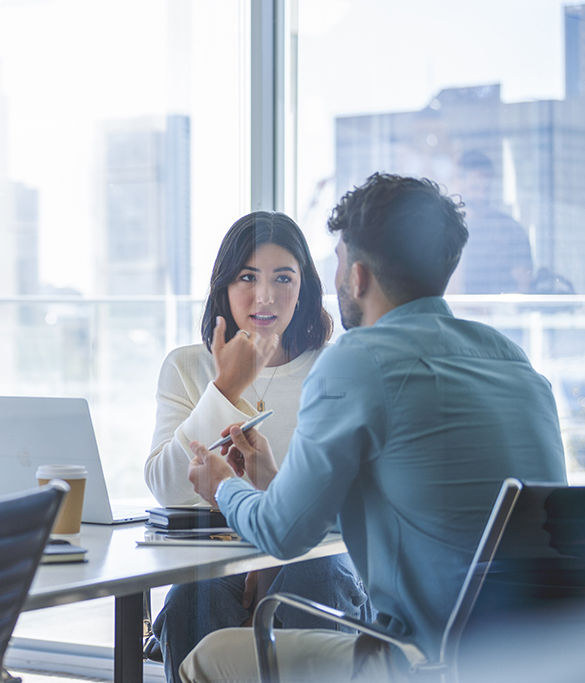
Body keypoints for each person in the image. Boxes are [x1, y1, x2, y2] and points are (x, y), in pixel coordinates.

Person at [181, 174, 567, 683]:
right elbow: (435, 517)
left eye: (338, 259)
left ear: (358, 276)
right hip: (545, 656)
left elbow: (282, 535)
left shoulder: (358, 361)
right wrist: (275, 485)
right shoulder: (513, 361)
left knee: (207, 656)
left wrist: (223, 486)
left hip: (424, 662)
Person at [144, 211, 372, 683]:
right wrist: (225, 389)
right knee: (194, 595)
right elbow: (170, 489)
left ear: (304, 288)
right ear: (224, 287)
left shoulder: (334, 368)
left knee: (316, 577)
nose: (265, 296)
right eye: (247, 277)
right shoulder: (187, 366)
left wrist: (271, 559)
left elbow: (351, 502)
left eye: (283, 278)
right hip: (218, 559)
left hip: (318, 556)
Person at [455, 149, 533, 294]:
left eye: (487, 188)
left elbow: (524, 285)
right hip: (456, 313)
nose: (482, 195)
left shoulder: (510, 229)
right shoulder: (446, 230)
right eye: (475, 188)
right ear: (460, 183)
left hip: (502, 314)